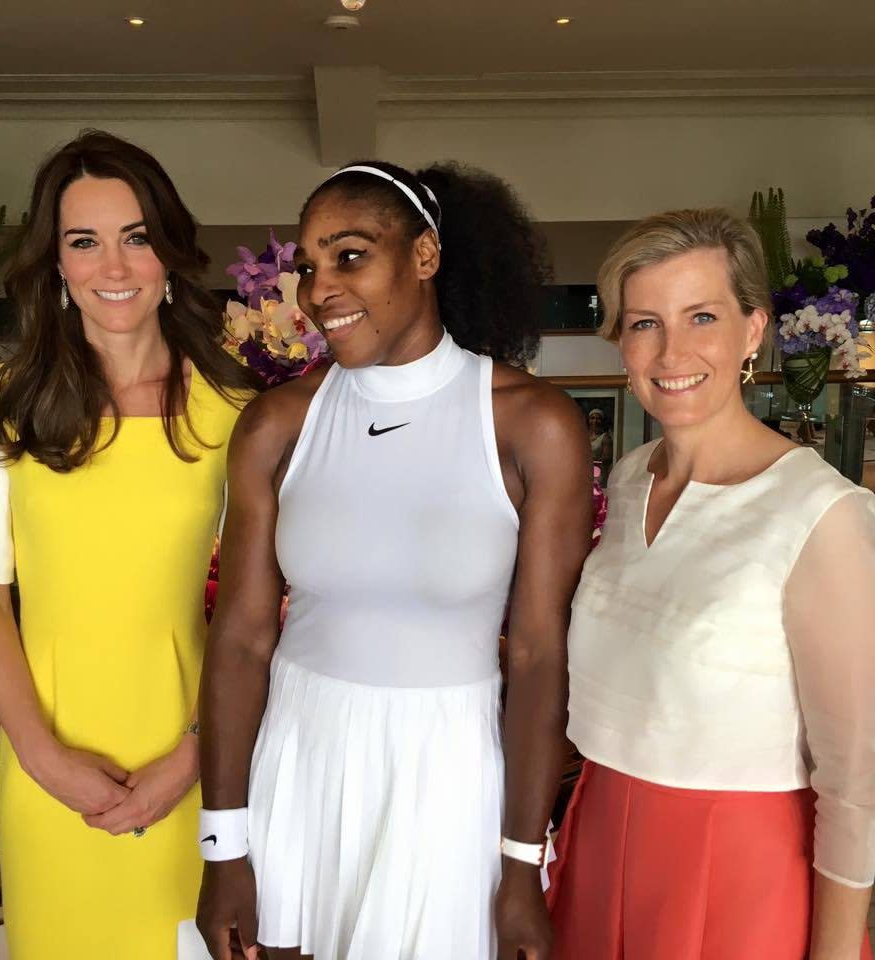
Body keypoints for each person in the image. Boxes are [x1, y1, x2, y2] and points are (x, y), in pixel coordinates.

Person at [196, 161, 593, 960]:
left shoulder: (531, 424)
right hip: (299, 762)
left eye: (349, 256)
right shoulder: (279, 423)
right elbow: (240, 639)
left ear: (424, 256)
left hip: (448, 777)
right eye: (307, 266)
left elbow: (543, 658)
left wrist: (522, 865)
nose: (317, 290)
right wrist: (224, 848)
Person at [0, 130, 256, 960]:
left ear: (169, 253)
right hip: (46, 757)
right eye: (84, 242)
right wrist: (42, 756)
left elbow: (259, 606)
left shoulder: (234, 411)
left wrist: (193, 757)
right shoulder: (0, 399)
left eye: (137, 238)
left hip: (194, 754)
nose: (113, 268)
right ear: (55, 262)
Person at [546, 208, 875, 959]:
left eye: (702, 316)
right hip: (596, 840)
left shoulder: (820, 515)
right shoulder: (630, 480)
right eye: (644, 323)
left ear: (753, 330)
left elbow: (857, 783)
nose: (672, 352)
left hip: (739, 872)